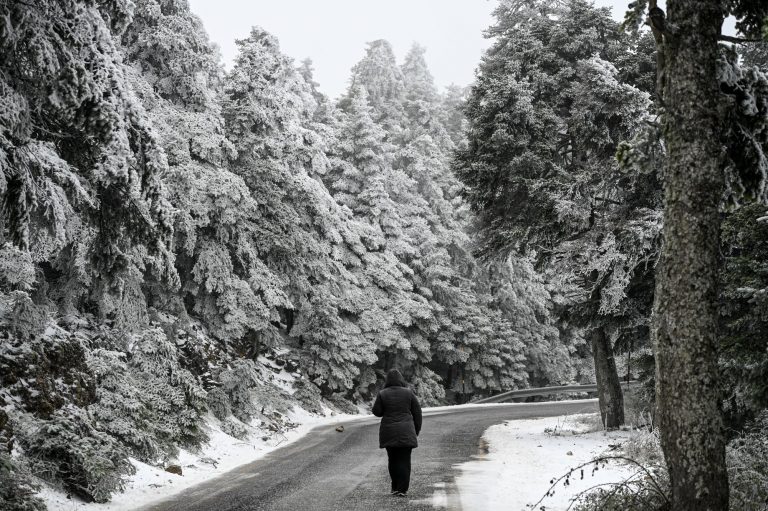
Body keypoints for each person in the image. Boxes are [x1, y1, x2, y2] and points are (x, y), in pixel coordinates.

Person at [372, 368, 423, 497]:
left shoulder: (382, 394)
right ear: (401, 380)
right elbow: (417, 413)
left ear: (387, 380)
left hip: (389, 432)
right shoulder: (409, 393)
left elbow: (376, 412)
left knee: (393, 460)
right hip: (407, 431)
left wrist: (386, 408)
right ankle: (402, 489)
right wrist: (415, 430)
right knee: (405, 461)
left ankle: (395, 487)